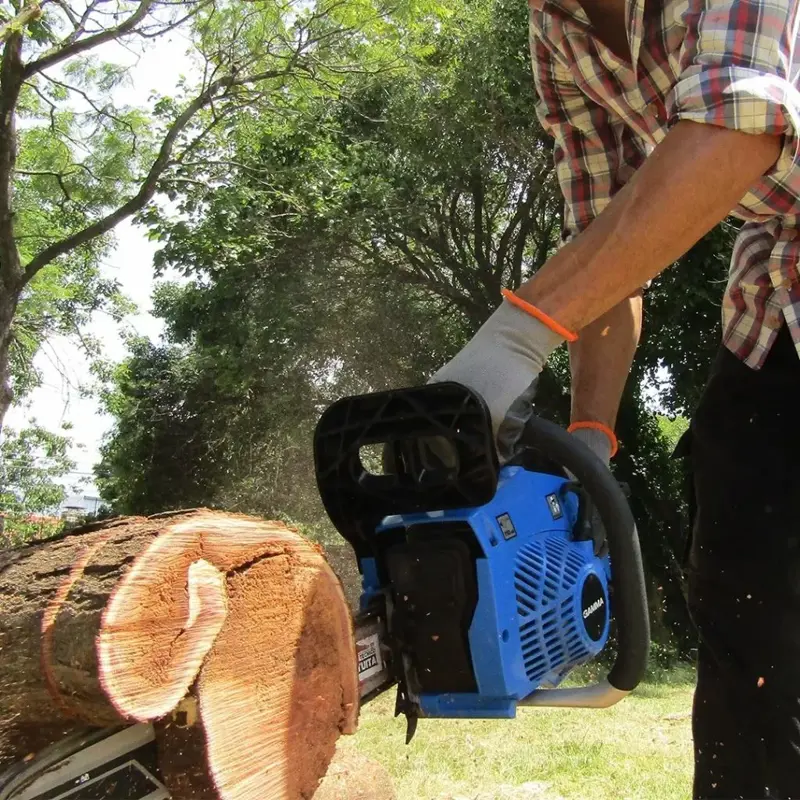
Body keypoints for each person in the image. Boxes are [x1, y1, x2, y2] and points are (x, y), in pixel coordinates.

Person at [428, 0, 800, 797]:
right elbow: (608, 245)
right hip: (773, 301)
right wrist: (589, 443)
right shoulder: (555, 28)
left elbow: (739, 129)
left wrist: (515, 336)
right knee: (741, 600)